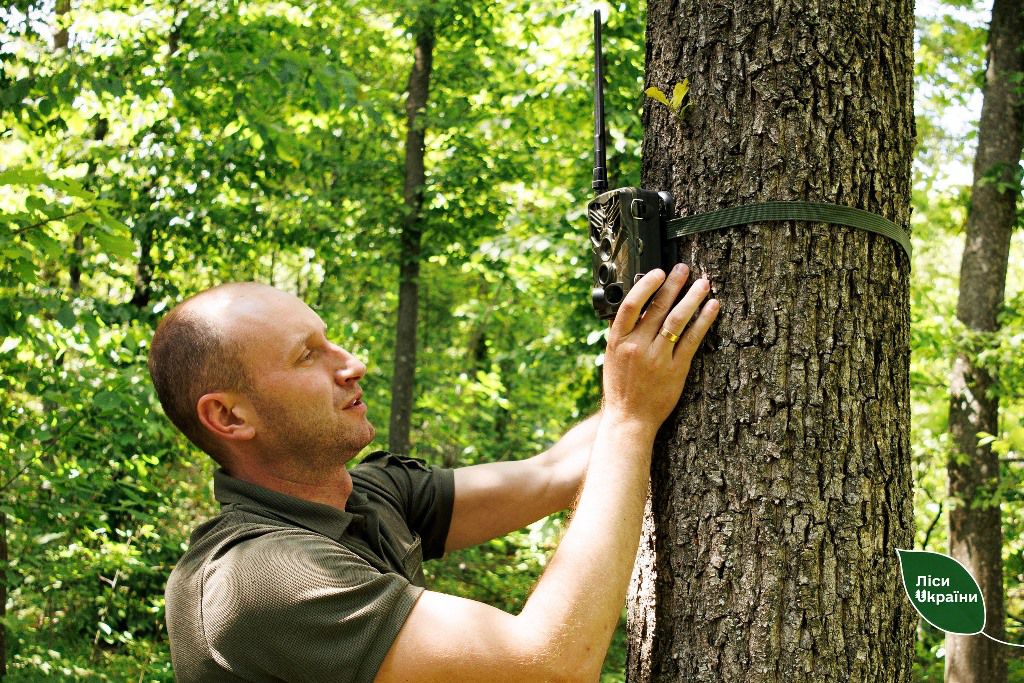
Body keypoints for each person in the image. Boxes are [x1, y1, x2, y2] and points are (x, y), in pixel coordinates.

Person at [147, 264, 719, 683]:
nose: (351, 365)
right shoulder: (255, 580)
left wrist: (643, 366)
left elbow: (556, 473)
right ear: (228, 416)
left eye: (330, 342)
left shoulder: (368, 497)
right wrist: (628, 416)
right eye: (306, 356)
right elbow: (549, 666)